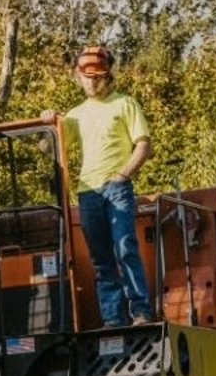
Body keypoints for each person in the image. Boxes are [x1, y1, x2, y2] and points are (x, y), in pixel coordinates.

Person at [63, 44, 154, 327]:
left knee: (125, 246)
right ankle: (114, 319)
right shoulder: (73, 115)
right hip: (87, 192)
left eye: (98, 76)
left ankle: (140, 311)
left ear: (107, 76)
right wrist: (48, 120)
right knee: (101, 259)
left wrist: (123, 175)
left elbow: (144, 146)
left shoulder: (125, 104)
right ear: (78, 77)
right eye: (88, 77)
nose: (93, 82)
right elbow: (50, 146)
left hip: (116, 189)